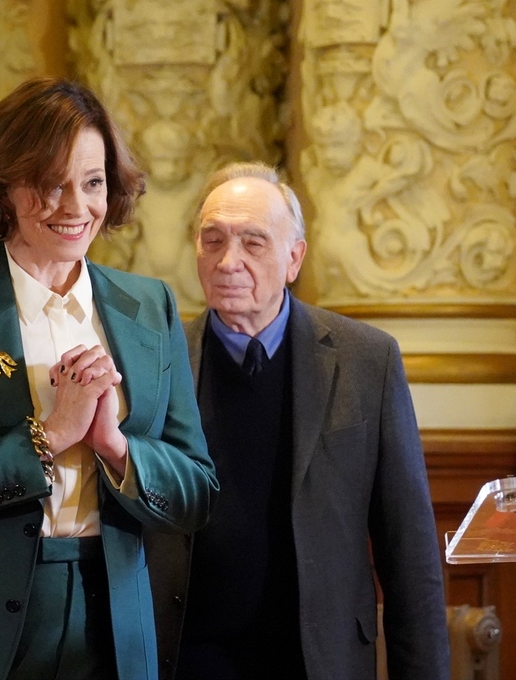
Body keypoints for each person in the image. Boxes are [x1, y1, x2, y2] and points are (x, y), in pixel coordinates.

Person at [0, 77, 218, 680]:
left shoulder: (149, 306)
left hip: (113, 625)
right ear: (4, 185)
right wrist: (46, 435)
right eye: (52, 184)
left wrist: (114, 446)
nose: (76, 207)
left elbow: (197, 489)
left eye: (94, 182)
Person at [148, 161, 449, 680]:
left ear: (294, 258)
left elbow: (410, 556)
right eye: (212, 240)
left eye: (254, 243)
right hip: (191, 658)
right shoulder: (157, 361)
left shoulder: (366, 360)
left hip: (320, 658)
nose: (228, 261)